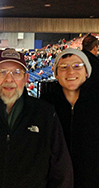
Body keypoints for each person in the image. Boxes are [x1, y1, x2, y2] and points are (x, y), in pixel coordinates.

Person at [0, 48, 73, 188]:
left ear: (26, 79)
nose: (9, 79)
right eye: (2, 72)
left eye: (17, 73)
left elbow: (61, 170)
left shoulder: (45, 114)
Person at [40, 48, 99, 187]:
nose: (70, 71)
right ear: (56, 74)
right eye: (64, 67)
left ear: (86, 72)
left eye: (77, 66)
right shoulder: (45, 107)